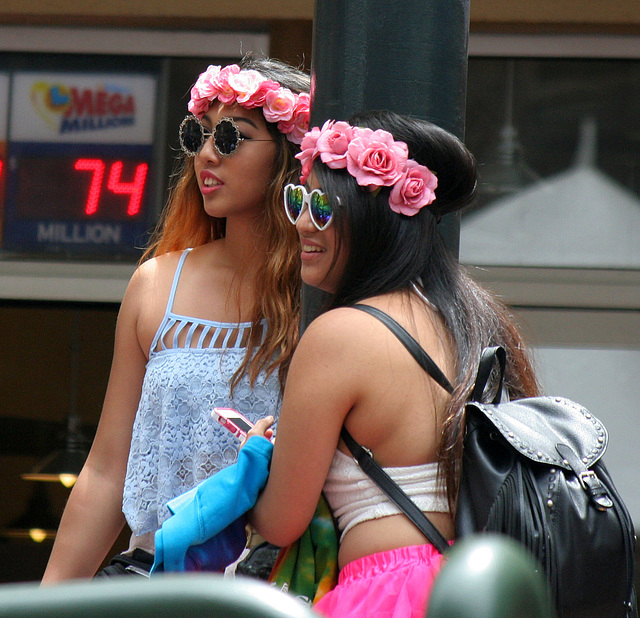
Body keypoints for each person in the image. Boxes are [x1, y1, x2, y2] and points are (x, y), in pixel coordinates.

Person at [246, 111, 540, 617]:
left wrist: (255, 456)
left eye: (321, 205)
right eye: (298, 199)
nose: (299, 222)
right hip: (490, 594)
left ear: (374, 214)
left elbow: (281, 521)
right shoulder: (483, 320)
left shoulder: (339, 334)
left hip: (388, 593)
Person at [41, 56, 310, 582]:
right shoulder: (155, 285)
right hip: (150, 578)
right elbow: (104, 469)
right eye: (199, 134)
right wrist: (49, 601)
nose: (207, 154)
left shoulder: (325, 295)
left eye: (231, 137)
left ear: (290, 156)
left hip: (279, 586)